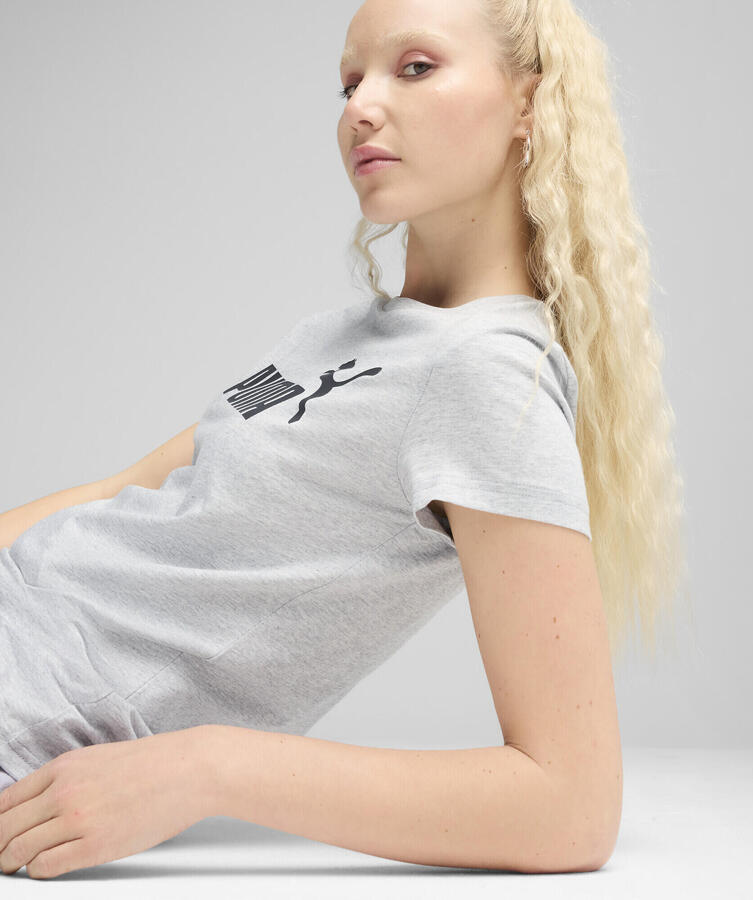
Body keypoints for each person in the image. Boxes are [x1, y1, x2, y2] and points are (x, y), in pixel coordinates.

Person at [0, 0, 688, 878]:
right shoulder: (332, 338)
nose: (361, 106)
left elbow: (571, 808)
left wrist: (204, 768)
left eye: (415, 68)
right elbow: (124, 489)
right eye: (349, 82)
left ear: (530, 102)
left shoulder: (487, 375)